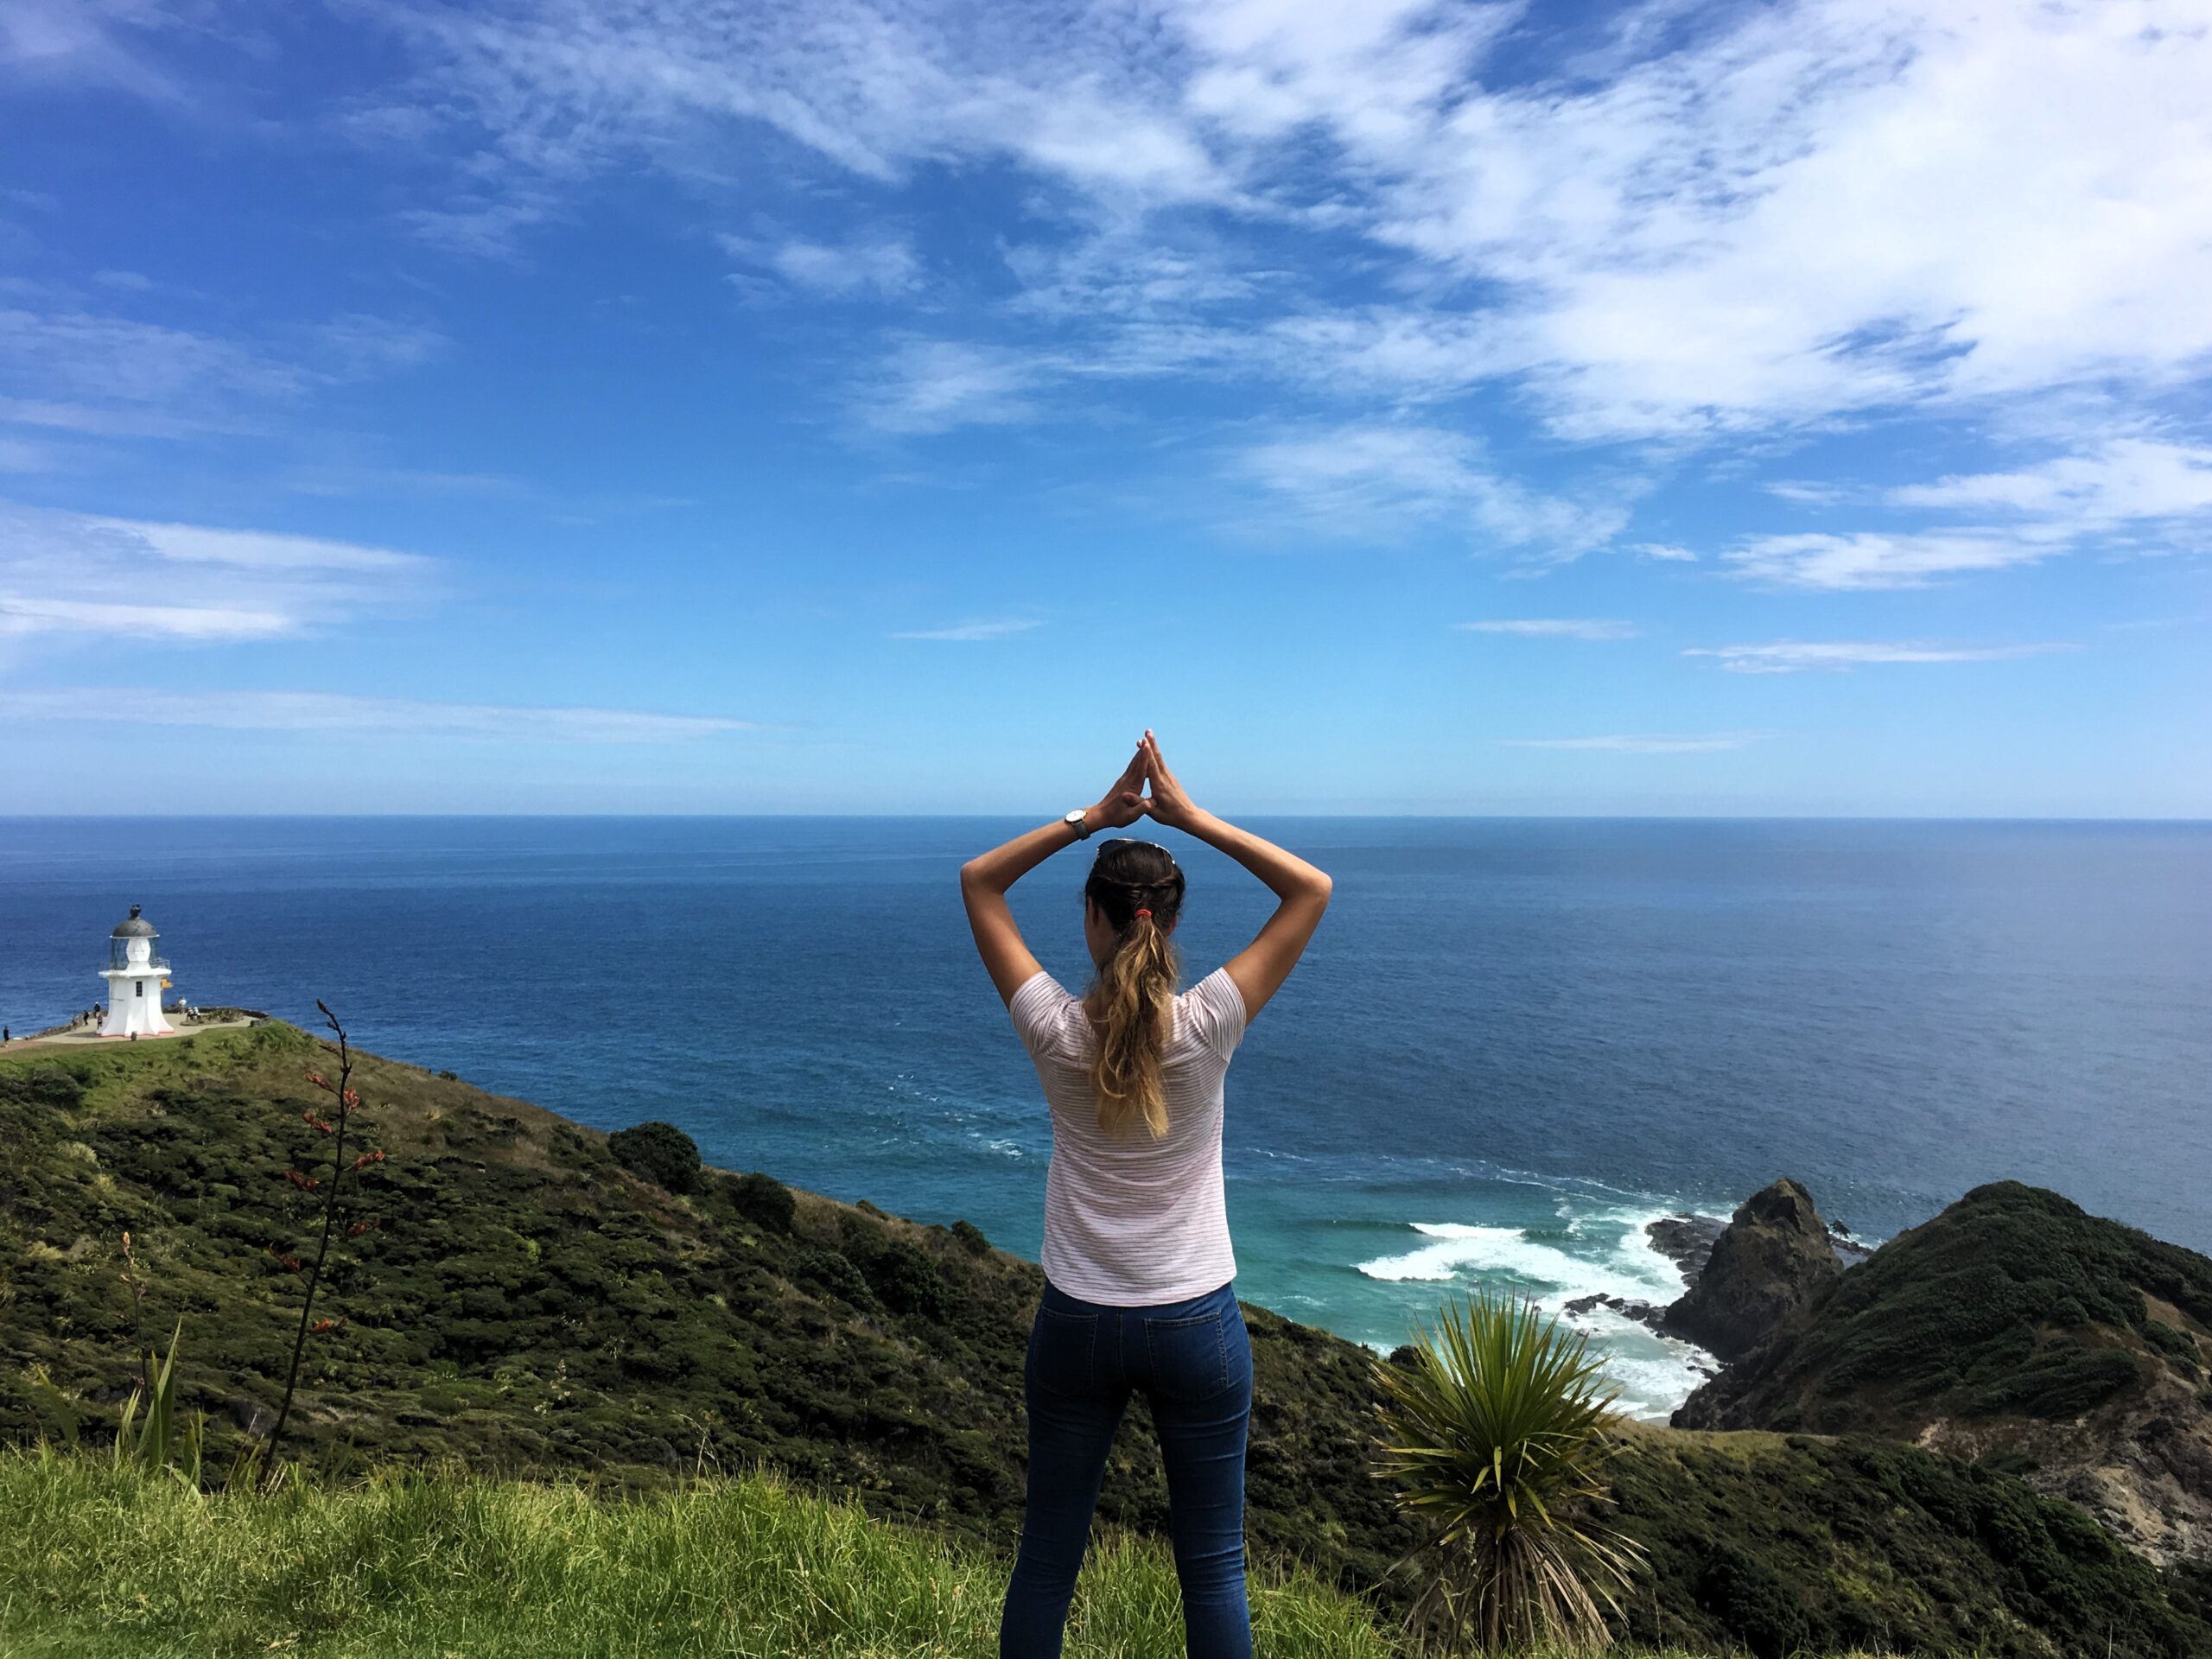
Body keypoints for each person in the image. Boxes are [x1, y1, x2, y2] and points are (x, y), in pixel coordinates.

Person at [962, 730, 1332, 1659]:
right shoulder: (1207, 1024)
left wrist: (1091, 816)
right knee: (1212, 1568)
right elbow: (1310, 889)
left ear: (1093, 920)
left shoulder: (1054, 1029)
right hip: (1195, 1322)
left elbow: (979, 882)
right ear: (1165, 924)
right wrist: (1190, 819)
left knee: (1048, 1558)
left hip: (1077, 1322)